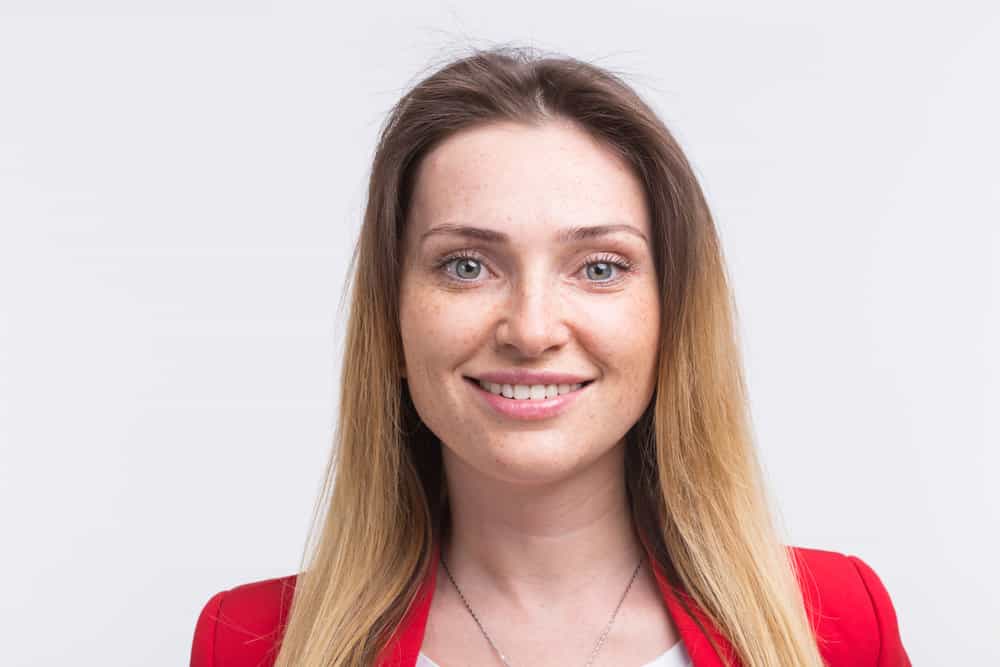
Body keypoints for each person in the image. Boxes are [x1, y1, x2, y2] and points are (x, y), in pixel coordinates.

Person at [189, 46, 911, 667]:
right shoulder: (250, 642)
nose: (531, 330)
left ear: (671, 317)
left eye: (598, 267)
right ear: (393, 323)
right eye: (467, 265)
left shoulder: (841, 624)